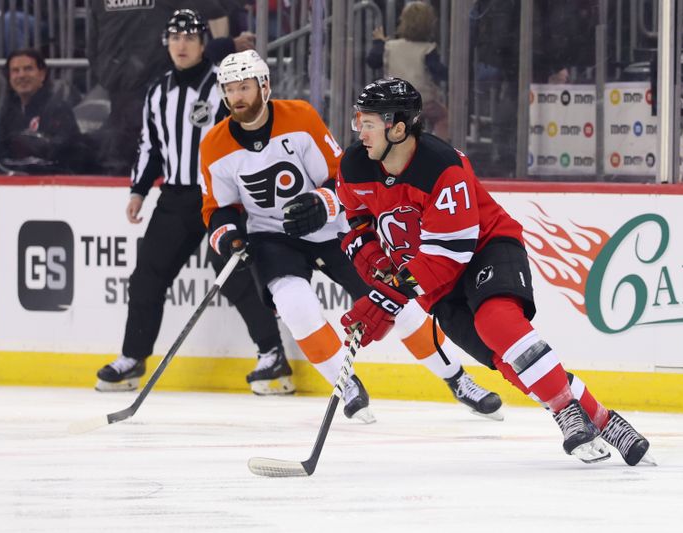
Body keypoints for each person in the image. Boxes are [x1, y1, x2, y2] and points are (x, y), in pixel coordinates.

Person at [336, 77, 654, 466]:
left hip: (485, 249)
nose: (359, 131)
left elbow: (447, 256)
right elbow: (355, 224)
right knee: (507, 360)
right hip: (436, 283)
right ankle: (603, 419)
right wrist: (377, 266)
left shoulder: (442, 167)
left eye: (368, 122)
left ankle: (564, 411)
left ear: (398, 128)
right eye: (358, 121)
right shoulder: (353, 166)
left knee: (497, 323)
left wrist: (388, 296)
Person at [200, 50, 504, 423]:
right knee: (295, 306)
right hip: (271, 238)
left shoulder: (300, 117)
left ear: (264, 85)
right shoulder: (213, 144)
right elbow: (217, 207)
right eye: (230, 89)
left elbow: (341, 176)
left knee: (398, 303)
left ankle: (457, 378)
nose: (238, 97)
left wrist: (322, 201)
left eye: (244, 86)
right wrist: (229, 235)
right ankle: (345, 385)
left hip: (330, 230)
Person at [95, 10, 288, 396]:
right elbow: (150, 147)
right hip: (176, 198)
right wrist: (139, 190)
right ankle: (133, 358)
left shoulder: (223, 88)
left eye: (189, 37)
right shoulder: (157, 90)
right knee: (147, 277)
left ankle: (272, 355)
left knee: (234, 274)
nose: (181, 44)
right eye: (174, 37)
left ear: (203, 43)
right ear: (166, 42)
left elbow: (244, 139)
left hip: (220, 199)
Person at [86, 1, 228, 175]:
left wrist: (109, 77)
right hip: (152, 88)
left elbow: (92, 48)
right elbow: (215, 10)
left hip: (127, 90)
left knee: (124, 162)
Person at [366, 1, 448, 140]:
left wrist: (379, 42)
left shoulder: (390, 46)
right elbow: (440, 72)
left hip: (394, 102)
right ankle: (442, 146)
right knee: (443, 117)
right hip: (423, 102)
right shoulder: (428, 49)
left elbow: (373, 61)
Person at [0, 48, 83, 174]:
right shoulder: (7, 111)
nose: (21, 75)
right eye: (15, 71)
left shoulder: (58, 108)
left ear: (42, 74)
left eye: (28, 69)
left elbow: (65, 153)